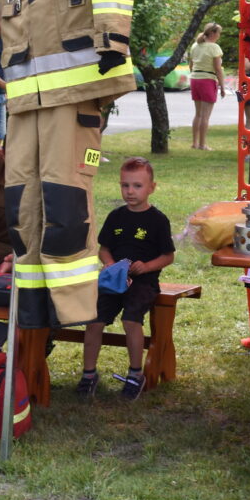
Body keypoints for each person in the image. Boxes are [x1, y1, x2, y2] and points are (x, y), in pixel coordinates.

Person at [77, 157, 175, 402]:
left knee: (131, 320)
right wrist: (110, 264)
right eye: (125, 185)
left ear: (152, 187)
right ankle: (89, 374)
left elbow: (168, 256)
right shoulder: (116, 216)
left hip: (144, 283)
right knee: (95, 321)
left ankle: (135, 374)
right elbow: (104, 248)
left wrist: (147, 266)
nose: (130, 191)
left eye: (137, 186)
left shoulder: (158, 220)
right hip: (113, 280)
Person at [188, 23, 226, 151]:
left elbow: (191, 65)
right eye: (218, 33)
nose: (219, 35)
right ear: (213, 33)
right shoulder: (214, 48)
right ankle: (202, 145)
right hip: (208, 80)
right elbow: (218, 69)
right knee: (205, 116)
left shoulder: (195, 46)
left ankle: (194, 143)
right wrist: (222, 86)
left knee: (198, 114)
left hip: (195, 79)